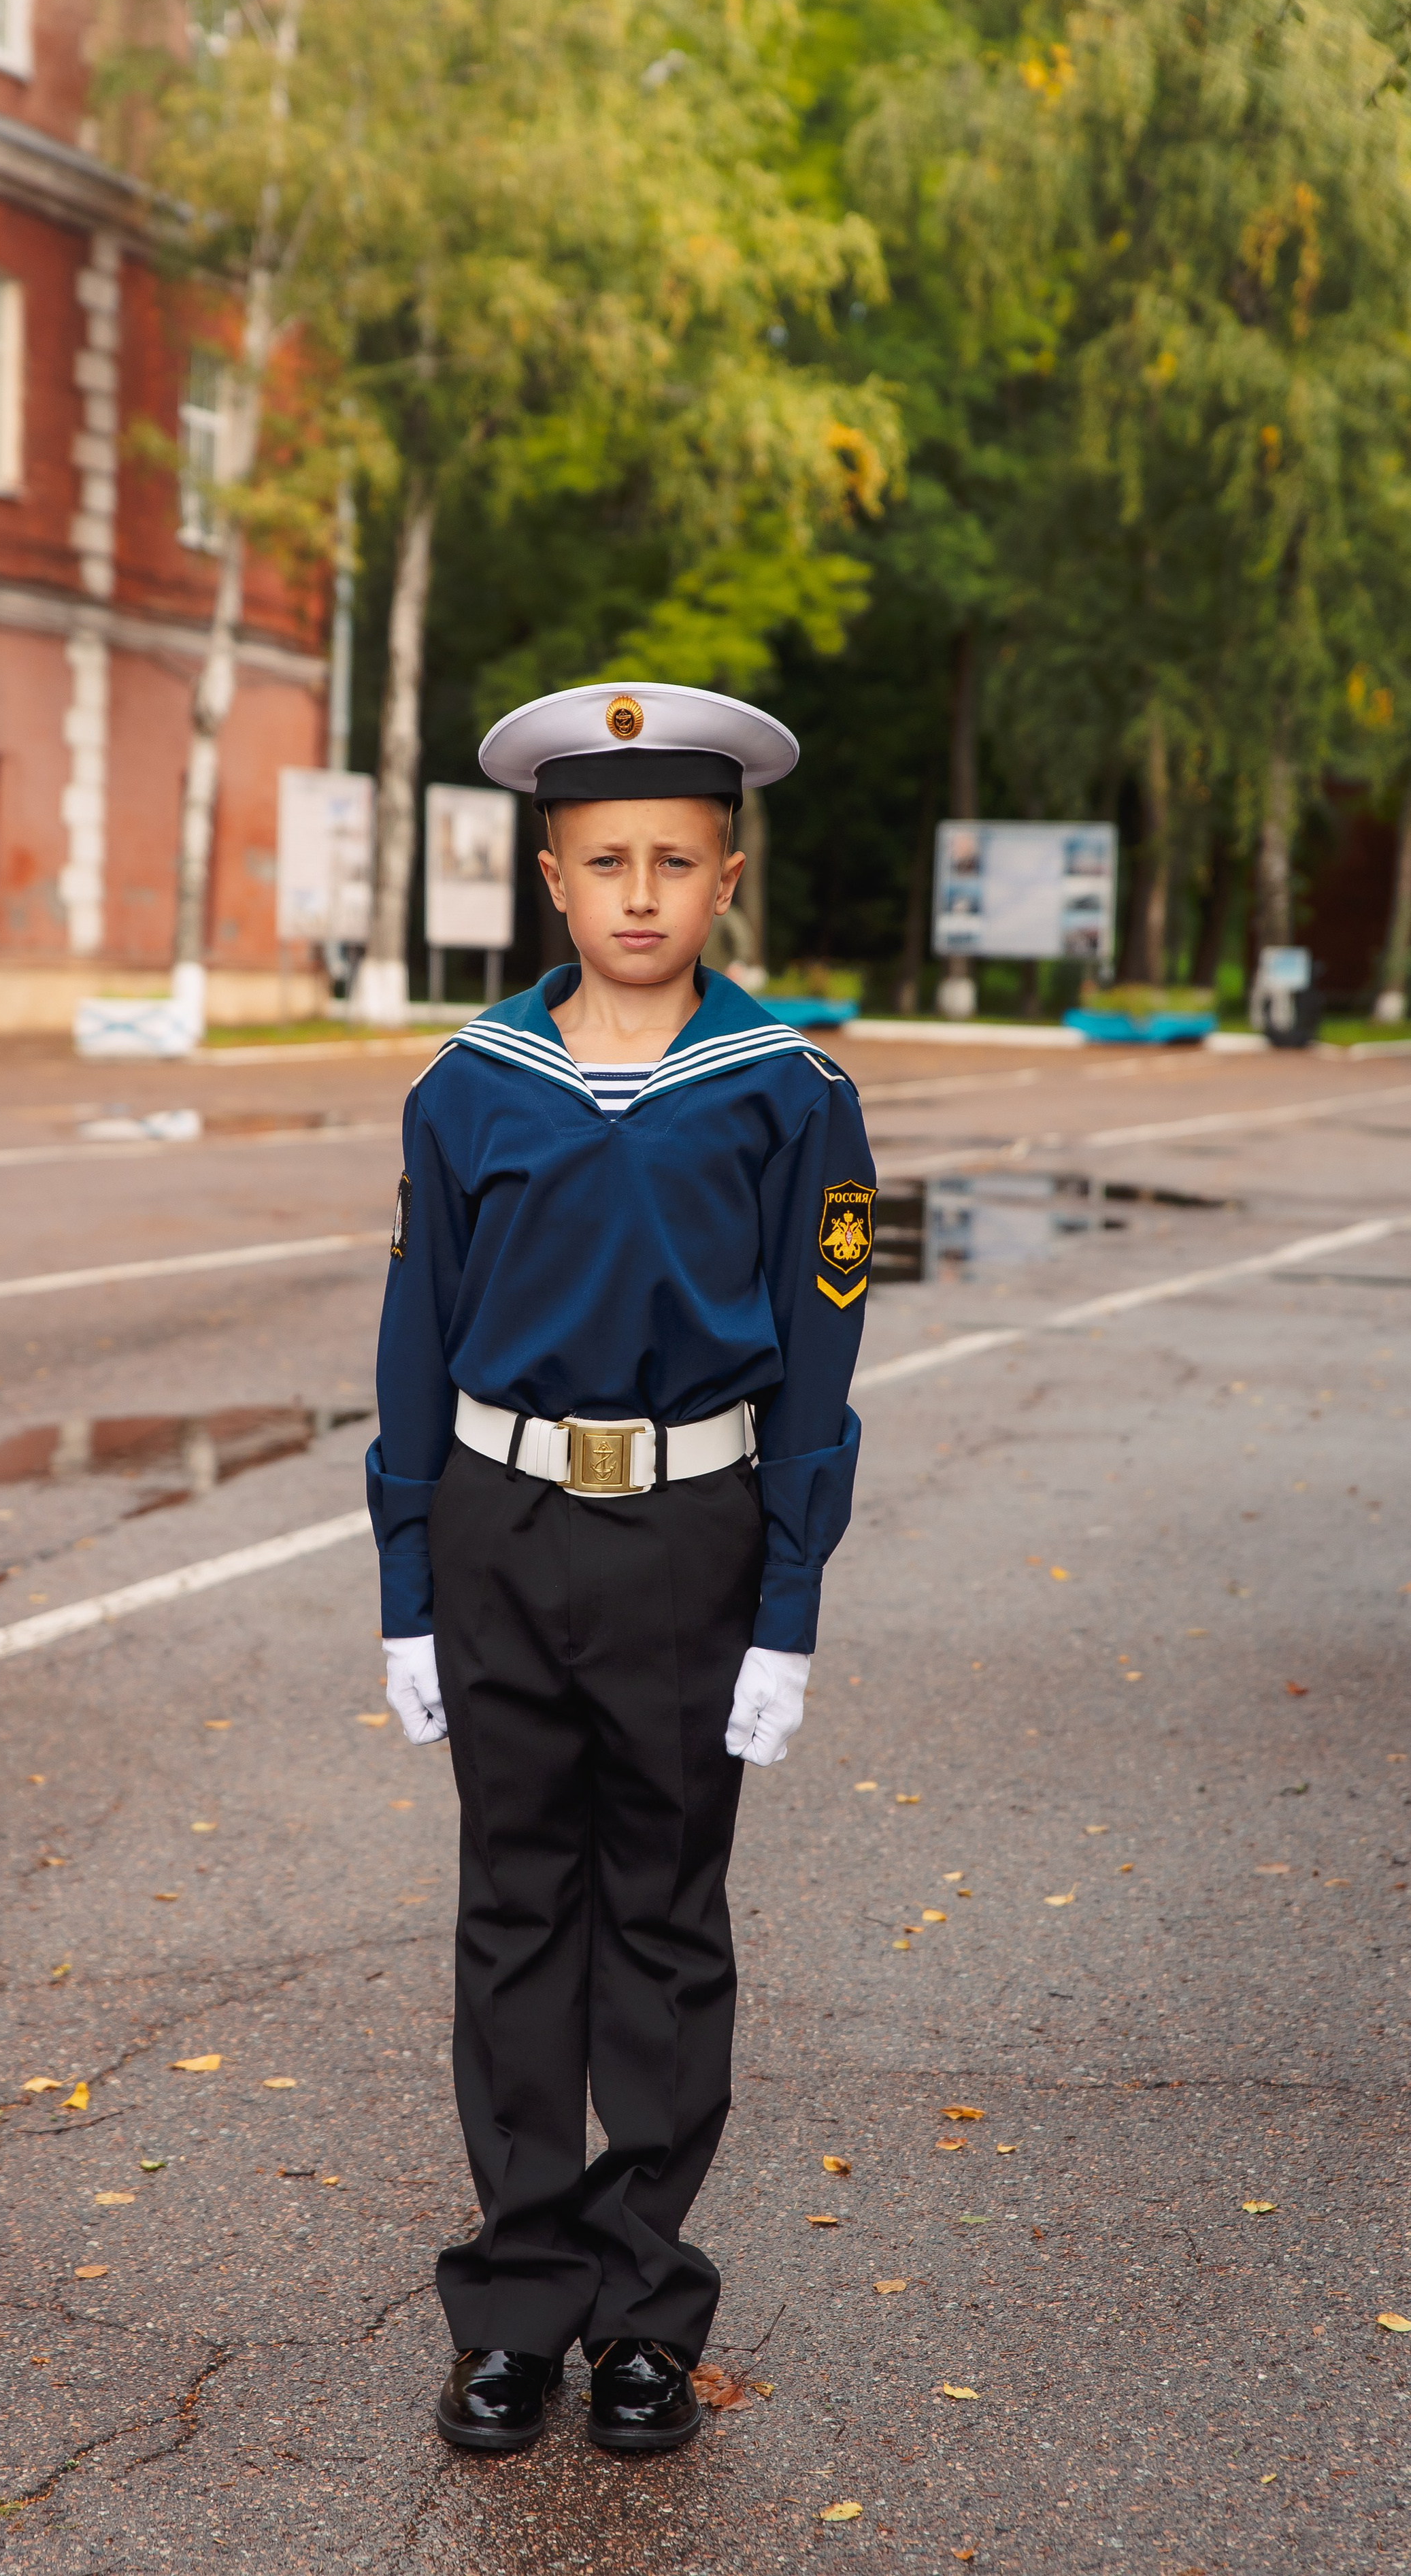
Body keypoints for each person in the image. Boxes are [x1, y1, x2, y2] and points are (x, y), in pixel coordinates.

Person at [365, 682, 874, 2456]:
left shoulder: (790, 1092)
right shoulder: (470, 1085)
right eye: (605, 862)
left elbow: (821, 1370)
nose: (639, 892)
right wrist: (408, 1580)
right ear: (551, 882)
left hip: (690, 1538)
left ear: (726, 876)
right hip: (503, 1530)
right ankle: (514, 2306)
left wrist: (788, 1611)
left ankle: (645, 2310)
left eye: (674, 859)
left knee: (660, 1923)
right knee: (515, 1916)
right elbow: (417, 1334)